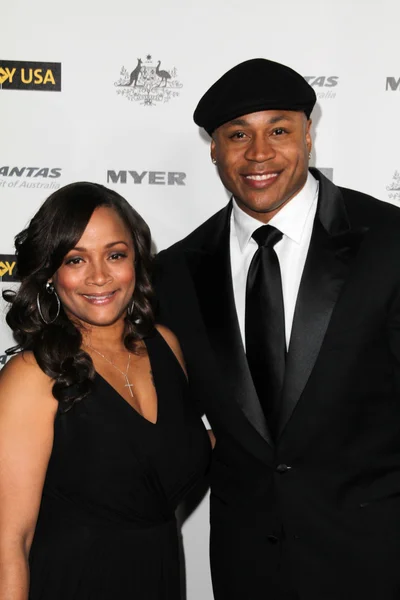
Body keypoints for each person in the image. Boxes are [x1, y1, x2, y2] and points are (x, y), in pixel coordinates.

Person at [154, 58, 400, 600]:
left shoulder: (388, 243)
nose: (258, 153)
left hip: (377, 563)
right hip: (247, 571)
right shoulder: (173, 274)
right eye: (237, 134)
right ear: (213, 149)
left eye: (279, 130)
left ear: (309, 136)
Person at [0, 182, 211, 600]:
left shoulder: (165, 346)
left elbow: (165, 449)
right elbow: (10, 542)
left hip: (159, 576)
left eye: (115, 255)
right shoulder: (32, 374)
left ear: (137, 260)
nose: (99, 276)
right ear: (50, 274)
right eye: (76, 259)